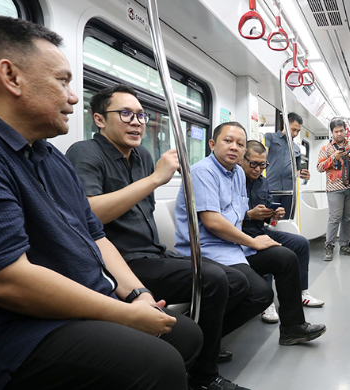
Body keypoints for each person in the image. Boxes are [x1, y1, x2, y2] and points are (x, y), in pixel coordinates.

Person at [0, 15, 202, 390]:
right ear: (11, 76)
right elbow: (2, 280)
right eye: (62, 81)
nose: (73, 96)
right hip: (7, 331)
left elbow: (96, 236)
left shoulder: (49, 157)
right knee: (156, 363)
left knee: (186, 335)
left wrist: (137, 295)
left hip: (77, 304)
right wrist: (124, 316)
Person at [65, 84, 253, 390]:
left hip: (153, 252)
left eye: (140, 115)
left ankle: (200, 347)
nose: (137, 122)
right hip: (121, 261)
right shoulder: (85, 153)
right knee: (215, 279)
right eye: (125, 113)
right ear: (99, 119)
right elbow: (90, 214)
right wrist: (155, 179)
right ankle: (204, 377)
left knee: (238, 281)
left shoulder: (142, 156)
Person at [175, 122, 326, 346]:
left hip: (234, 247)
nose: (234, 147)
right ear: (212, 144)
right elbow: (213, 223)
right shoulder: (202, 172)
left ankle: (293, 328)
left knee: (286, 258)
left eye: (240, 144)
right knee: (260, 294)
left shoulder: (236, 173)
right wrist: (253, 242)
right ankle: (199, 341)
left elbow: (235, 214)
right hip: (208, 251)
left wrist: (264, 221)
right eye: (228, 141)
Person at [240, 140, 324, 324]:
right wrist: (248, 215)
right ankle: (267, 302)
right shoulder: (234, 181)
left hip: (261, 229)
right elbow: (225, 216)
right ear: (242, 160)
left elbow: (269, 216)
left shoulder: (263, 182)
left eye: (263, 165)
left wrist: (274, 214)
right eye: (253, 163)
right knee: (270, 251)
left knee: (300, 243)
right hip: (241, 234)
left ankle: (303, 291)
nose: (258, 169)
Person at [317, 118, 350, 261]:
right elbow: (320, 167)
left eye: (341, 131)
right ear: (332, 132)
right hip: (334, 188)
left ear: (345, 131)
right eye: (336, 131)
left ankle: (345, 245)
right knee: (335, 218)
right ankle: (329, 246)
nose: (339, 134)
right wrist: (333, 157)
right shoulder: (326, 149)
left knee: (348, 218)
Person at [264, 112, 310, 219]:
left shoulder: (297, 148)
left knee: (286, 220)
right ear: (285, 125)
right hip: (272, 189)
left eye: (298, 131)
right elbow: (264, 153)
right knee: (270, 220)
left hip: (289, 191)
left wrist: (303, 175)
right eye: (293, 129)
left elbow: (297, 171)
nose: (295, 133)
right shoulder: (270, 137)